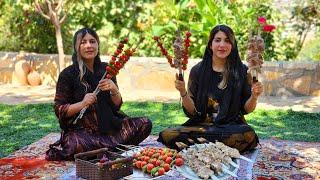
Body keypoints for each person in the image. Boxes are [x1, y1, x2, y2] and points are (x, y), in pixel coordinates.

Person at [46, 28, 152, 161]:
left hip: (111, 128)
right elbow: (59, 109)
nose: (89, 45)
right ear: (76, 47)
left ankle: (103, 150)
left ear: (97, 45)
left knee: (145, 123)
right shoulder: (68, 74)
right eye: (83, 42)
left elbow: (117, 106)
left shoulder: (107, 69)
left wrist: (114, 90)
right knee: (74, 145)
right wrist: (82, 103)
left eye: (92, 41)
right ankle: (112, 149)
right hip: (83, 132)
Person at [158, 25, 263, 153]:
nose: (222, 45)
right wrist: (183, 92)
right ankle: (217, 146)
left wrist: (255, 96)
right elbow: (192, 112)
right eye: (217, 40)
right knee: (168, 134)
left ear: (233, 45)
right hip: (201, 127)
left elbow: (247, 109)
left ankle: (201, 146)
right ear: (210, 45)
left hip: (230, 127)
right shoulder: (197, 71)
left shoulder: (242, 71)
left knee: (248, 134)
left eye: (227, 40)